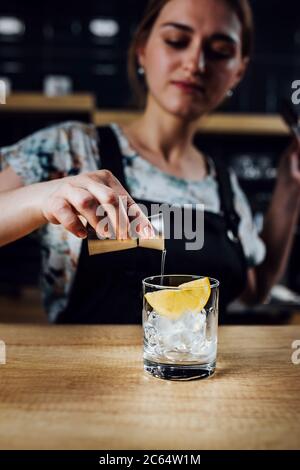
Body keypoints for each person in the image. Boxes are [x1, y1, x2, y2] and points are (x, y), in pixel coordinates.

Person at [0, 0, 299, 323]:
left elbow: (253, 291)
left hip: (195, 368)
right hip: (85, 372)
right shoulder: (70, 148)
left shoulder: (226, 188)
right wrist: (42, 197)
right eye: (176, 41)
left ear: (238, 71)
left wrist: (290, 185)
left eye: (220, 50)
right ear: (142, 49)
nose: (196, 62)